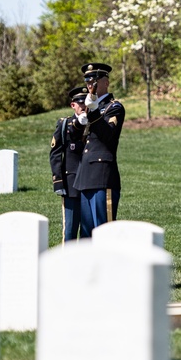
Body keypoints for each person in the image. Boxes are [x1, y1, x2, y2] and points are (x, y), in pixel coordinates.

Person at [73, 62, 125, 236]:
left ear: (106, 82)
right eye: (88, 80)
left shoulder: (114, 107)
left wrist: (93, 111)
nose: (90, 84)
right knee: (87, 234)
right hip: (86, 174)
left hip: (103, 174)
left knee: (104, 231)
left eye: (94, 80)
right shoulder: (88, 108)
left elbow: (108, 135)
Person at [50, 86, 87, 242]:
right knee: (70, 230)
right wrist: (58, 182)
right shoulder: (65, 124)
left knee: (89, 231)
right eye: (80, 103)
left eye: (86, 102)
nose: (84, 106)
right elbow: (55, 153)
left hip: (91, 181)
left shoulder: (96, 123)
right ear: (73, 105)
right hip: (71, 183)